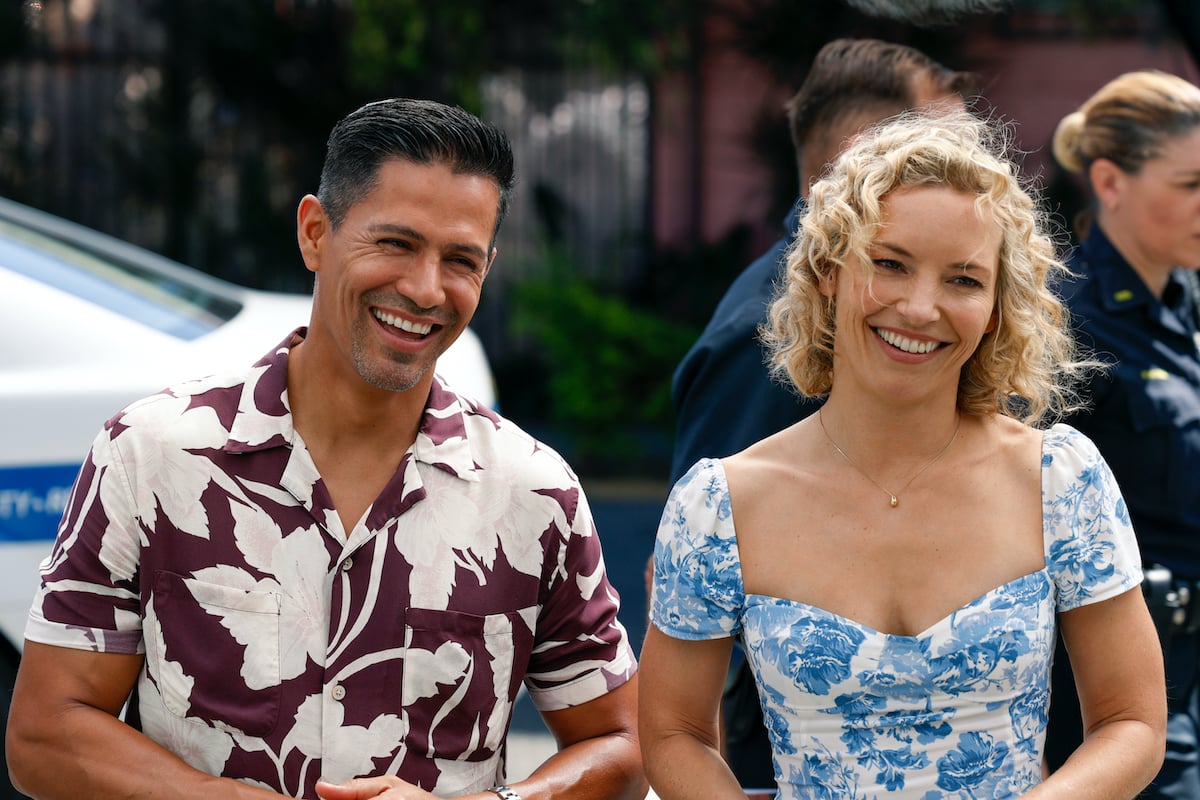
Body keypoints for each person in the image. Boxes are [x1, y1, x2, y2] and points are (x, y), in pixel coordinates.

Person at [6, 98, 644, 800]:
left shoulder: (534, 494)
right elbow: (45, 733)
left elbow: (623, 744)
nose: (425, 289)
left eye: (459, 260)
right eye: (395, 244)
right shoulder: (151, 454)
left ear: (486, 271)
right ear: (315, 232)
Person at [640, 109, 1167, 798]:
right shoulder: (720, 504)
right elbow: (672, 733)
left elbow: (1133, 722)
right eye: (890, 264)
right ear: (828, 270)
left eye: (964, 280)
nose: (921, 308)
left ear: (998, 305)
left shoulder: (1060, 479)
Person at [663, 37, 974, 797]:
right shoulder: (763, 331)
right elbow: (703, 567)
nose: (978, 173)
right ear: (870, 155)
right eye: (946, 147)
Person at [1043, 70, 1200, 798]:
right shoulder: (1065, 325)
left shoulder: (1187, 302)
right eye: (1191, 183)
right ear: (1109, 181)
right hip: (1132, 692)